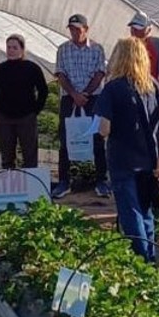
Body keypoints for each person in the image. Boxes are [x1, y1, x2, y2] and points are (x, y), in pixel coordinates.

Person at [96, 38, 159, 260]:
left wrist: (101, 127)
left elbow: (104, 129)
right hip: (148, 159)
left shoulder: (112, 88)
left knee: (131, 213)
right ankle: (152, 257)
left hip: (122, 159)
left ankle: (143, 261)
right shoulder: (152, 84)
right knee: (146, 211)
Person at [53, 13, 109, 199]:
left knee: (97, 139)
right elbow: (60, 74)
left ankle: (101, 180)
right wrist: (74, 94)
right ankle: (64, 181)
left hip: (93, 98)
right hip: (69, 98)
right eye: (72, 29)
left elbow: (100, 73)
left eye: (78, 29)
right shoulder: (63, 49)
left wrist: (84, 93)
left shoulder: (97, 49)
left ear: (86, 29)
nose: (75, 32)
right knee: (66, 138)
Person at [0, 34, 50, 169]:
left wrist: (35, 110)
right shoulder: (0, 69)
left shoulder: (32, 68)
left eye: (14, 47)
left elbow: (43, 90)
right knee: (7, 154)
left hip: (26, 116)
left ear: (22, 49)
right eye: (9, 47)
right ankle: (10, 183)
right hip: (4, 117)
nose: (11, 50)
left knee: (29, 154)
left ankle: (31, 183)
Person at [128, 13, 159, 90]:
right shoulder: (125, 46)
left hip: (147, 90)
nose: (134, 31)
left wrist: (158, 95)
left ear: (148, 30)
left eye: (138, 29)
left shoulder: (158, 44)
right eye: (132, 28)